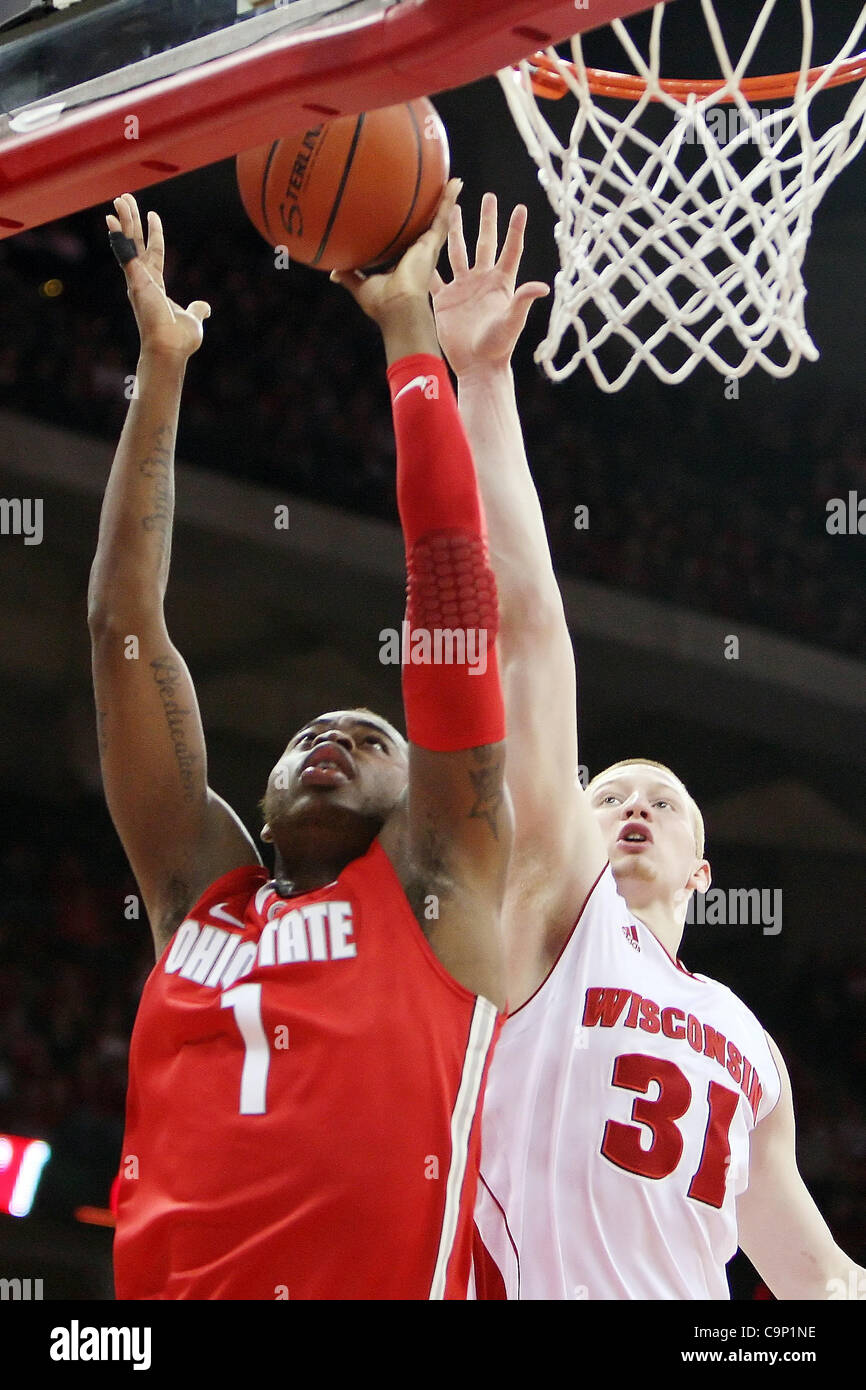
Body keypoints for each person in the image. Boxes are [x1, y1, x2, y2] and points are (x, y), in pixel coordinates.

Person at [431, 192, 866, 1300]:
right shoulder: (550, 922)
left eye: (662, 801)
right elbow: (527, 634)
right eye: (608, 790)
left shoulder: (744, 1039)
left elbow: (813, 1278)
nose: (631, 805)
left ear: (700, 872)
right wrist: (479, 386)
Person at [89, 186, 511, 1300]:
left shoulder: (438, 884)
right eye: (305, 735)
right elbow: (122, 628)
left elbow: (453, 597)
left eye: (369, 735)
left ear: (418, 787)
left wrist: (409, 336)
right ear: (260, 799)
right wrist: (163, 367)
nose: (326, 737)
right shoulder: (198, 897)